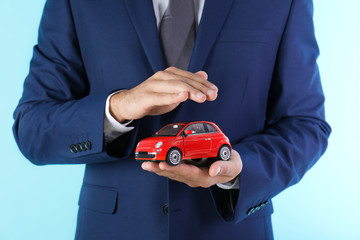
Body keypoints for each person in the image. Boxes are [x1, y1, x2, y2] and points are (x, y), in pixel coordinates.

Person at [13, 0, 331, 239]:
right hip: (113, 229)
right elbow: (32, 125)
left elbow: (306, 123)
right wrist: (120, 107)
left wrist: (239, 171)